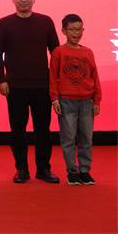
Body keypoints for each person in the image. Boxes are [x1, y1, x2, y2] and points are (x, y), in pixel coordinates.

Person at [0, 0, 60, 184]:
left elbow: (56, 53)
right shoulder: (4, 23)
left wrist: (56, 81)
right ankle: (21, 168)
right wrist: (1, 80)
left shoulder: (45, 21)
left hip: (42, 85)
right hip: (15, 86)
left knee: (43, 130)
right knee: (18, 130)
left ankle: (43, 169)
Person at [50, 14, 101, 185]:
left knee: (86, 139)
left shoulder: (88, 52)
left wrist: (97, 100)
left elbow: (95, 77)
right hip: (66, 101)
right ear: (63, 31)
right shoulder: (59, 52)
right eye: (72, 29)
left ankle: (85, 170)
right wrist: (54, 99)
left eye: (80, 29)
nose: (77, 33)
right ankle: (72, 170)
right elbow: (53, 77)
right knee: (68, 139)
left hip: (87, 101)